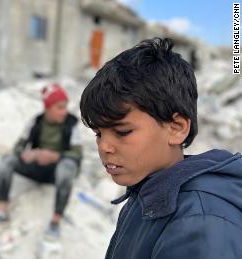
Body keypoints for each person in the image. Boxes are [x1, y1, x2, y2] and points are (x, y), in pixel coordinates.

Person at [79, 37, 242, 259]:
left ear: (176, 128)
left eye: (122, 132)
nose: (104, 146)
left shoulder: (200, 222)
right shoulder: (147, 193)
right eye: (98, 134)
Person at [0, 83, 82, 239]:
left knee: (67, 167)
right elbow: (18, 148)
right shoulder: (35, 122)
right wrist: (30, 154)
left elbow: (77, 155)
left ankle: (55, 221)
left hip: (56, 172)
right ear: (48, 108)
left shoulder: (71, 124)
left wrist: (54, 156)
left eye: (65, 107)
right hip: (36, 167)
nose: (64, 112)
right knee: (7, 161)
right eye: (59, 107)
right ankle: (0, 211)